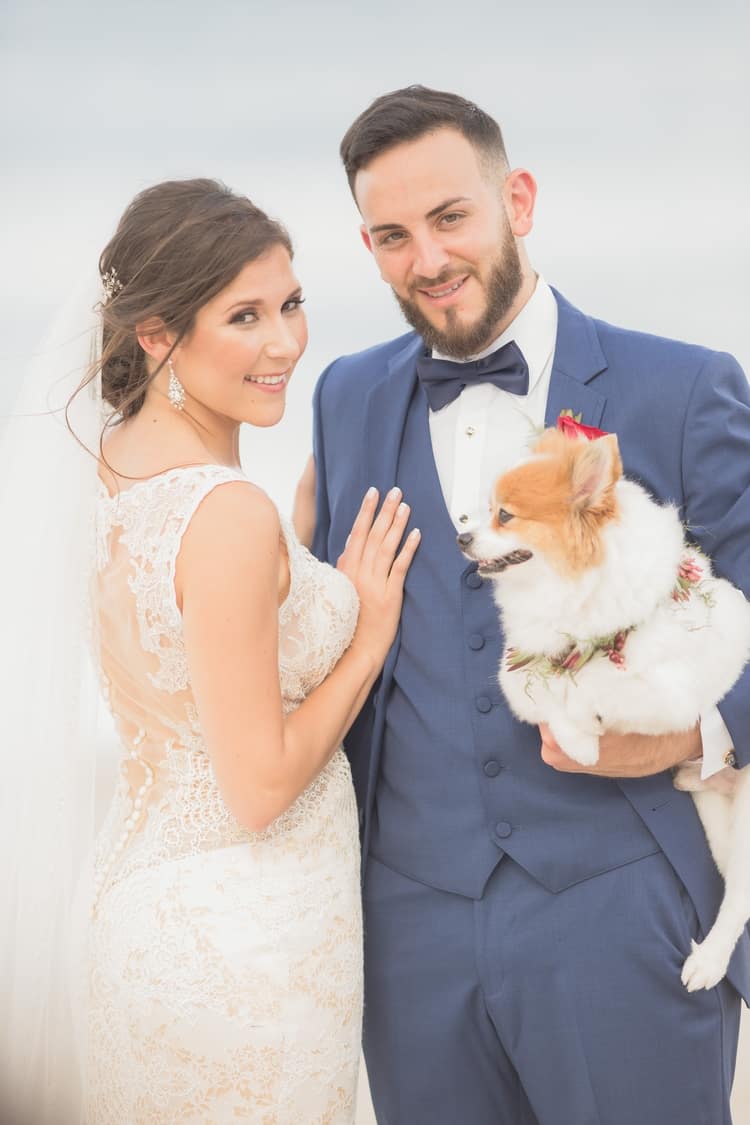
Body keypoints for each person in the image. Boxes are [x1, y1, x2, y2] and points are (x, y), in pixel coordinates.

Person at [305, 87, 750, 1124]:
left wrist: (699, 731)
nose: (426, 260)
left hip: (627, 913)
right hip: (408, 933)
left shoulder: (683, 389)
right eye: (391, 236)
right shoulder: (344, 397)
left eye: (451, 217)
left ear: (519, 198)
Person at [0, 178, 419, 1124]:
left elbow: (180, 668)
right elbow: (259, 786)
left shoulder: (110, 466)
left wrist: (297, 562)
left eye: (292, 303)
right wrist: (366, 633)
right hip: (246, 944)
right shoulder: (227, 514)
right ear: (157, 334)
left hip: (144, 910)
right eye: (244, 316)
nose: (284, 344)